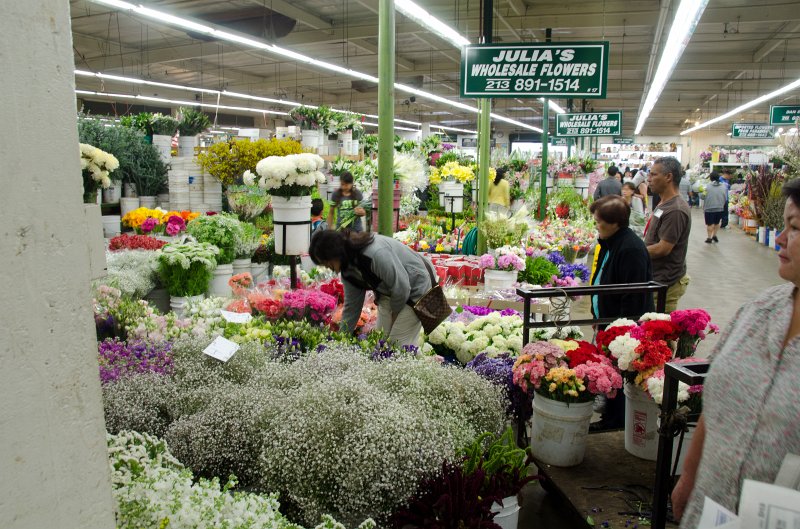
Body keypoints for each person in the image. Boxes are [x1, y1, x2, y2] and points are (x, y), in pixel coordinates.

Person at [671, 179, 800, 529]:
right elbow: (715, 404)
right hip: (710, 510)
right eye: (784, 225)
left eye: (795, 228)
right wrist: (688, 480)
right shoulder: (759, 311)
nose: (782, 238)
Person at [588, 196, 655, 431]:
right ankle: (611, 416)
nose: (596, 225)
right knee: (611, 371)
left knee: (620, 373)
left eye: (599, 221)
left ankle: (616, 421)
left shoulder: (630, 249)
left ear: (614, 222)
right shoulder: (611, 242)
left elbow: (633, 297)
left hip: (622, 330)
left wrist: (620, 333)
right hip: (608, 323)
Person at [308, 230, 434, 347]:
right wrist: (341, 341)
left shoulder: (374, 253)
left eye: (326, 262)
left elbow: (402, 287)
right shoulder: (347, 269)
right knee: (380, 342)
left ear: (333, 253)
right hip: (390, 293)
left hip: (416, 288)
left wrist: (395, 315)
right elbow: (352, 308)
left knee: (397, 347)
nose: (327, 267)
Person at [644, 157, 691, 313]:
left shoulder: (675, 209)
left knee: (659, 331)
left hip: (665, 283)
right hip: (656, 277)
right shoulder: (663, 203)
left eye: (653, 175)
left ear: (668, 177)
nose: (648, 179)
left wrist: (634, 251)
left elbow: (663, 248)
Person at [702, 172, 727, 244]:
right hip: (720, 207)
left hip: (709, 208)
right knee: (717, 223)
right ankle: (714, 235)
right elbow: (725, 197)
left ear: (710, 178)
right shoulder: (723, 186)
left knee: (710, 224)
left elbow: (702, 196)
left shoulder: (707, 186)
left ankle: (709, 237)